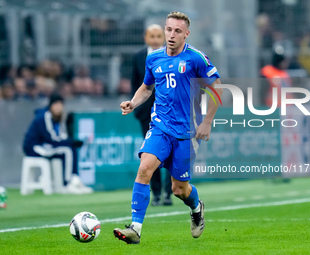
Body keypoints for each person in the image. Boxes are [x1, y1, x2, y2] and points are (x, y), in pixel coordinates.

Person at [114, 11, 222, 244]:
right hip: (160, 127)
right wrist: (133, 102)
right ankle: (135, 228)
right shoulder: (153, 59)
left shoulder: (196, 59)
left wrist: (207, 122)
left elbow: (218, 89)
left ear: (186, 34)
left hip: (186, 133)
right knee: (144, 169)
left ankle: (196, 208)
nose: (171, 35)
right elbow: (146, 88)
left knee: (179, 189)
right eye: (168, 30)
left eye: (177, 31)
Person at [131, 24, 173, 206]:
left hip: (168, 112)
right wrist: (136, 107)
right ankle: (156, 193)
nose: (155, 39)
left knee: (170, 153)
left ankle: (168, 193)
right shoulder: (139, 57)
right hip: (146, 114)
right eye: (152, 36)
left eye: (158, 36)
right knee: (150, 154)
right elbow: (136, 83)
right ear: (146, 38)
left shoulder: (172, 55)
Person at [23, 93, 93, 194]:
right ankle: (67, 184)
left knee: (70, 147)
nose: (59, 108)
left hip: (45, 146)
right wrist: (69, 141)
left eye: (61, 105)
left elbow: (60, 135)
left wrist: (71, 141)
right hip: (34, 147)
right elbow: (52, 138)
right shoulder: (44, 116)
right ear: (51, 105)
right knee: (67, 150)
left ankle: (75, 179)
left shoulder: (55, 118)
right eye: (56, 105)